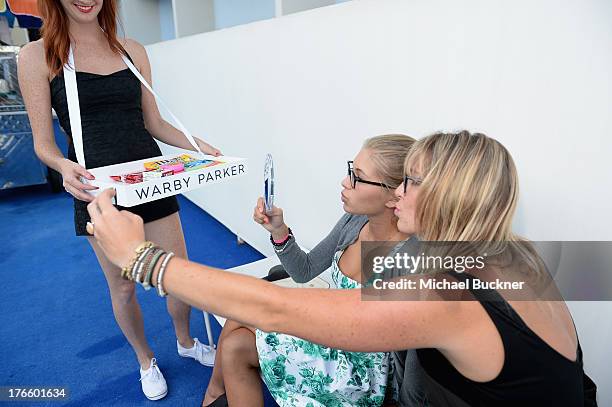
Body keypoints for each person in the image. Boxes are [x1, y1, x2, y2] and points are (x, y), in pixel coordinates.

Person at [86, 131, 596, 406]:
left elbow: (278, 305)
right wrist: (281, 238)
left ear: (447, 194)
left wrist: (142, 257)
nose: (397, 192)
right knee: (241, 333)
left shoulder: (446, 289)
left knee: (246, 329)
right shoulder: (518, 252)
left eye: (409, 182)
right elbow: (312, 276)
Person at [18, 0, 221, 400]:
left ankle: (184, 340)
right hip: (98, 189)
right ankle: (145, 360)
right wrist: (63, 166)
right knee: (124, 286)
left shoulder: (132, 49)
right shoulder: (36, 55)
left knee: (176, 274)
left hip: (151, 181)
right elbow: (43, 145)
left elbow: (155, 123)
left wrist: (198, 147)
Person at [202, 135, 420, 407]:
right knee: (236, 342)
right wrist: (279, 231)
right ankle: (213, 395)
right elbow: (304, 271)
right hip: (330, 333)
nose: (345, 181)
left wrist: (291, 314)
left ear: (393, 195)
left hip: (359, 372)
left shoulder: (405, 257)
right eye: (350, 169)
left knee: (246, 311)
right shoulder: (355, 220)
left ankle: (212, 395)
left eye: (357, 177)